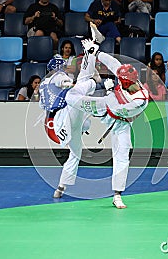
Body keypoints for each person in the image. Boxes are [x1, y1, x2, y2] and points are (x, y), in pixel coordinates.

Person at [40, 30, 149, 208]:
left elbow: (117, 109)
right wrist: (97, 53)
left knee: (122, 156)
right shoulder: (123, 77)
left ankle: (117, 195)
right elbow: (113, 63)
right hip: (101, 106)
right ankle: (92, 51)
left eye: (123, 83)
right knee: (75, 94)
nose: (120, 83)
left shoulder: (140, 100)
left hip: (117, 118)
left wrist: (107, 90)